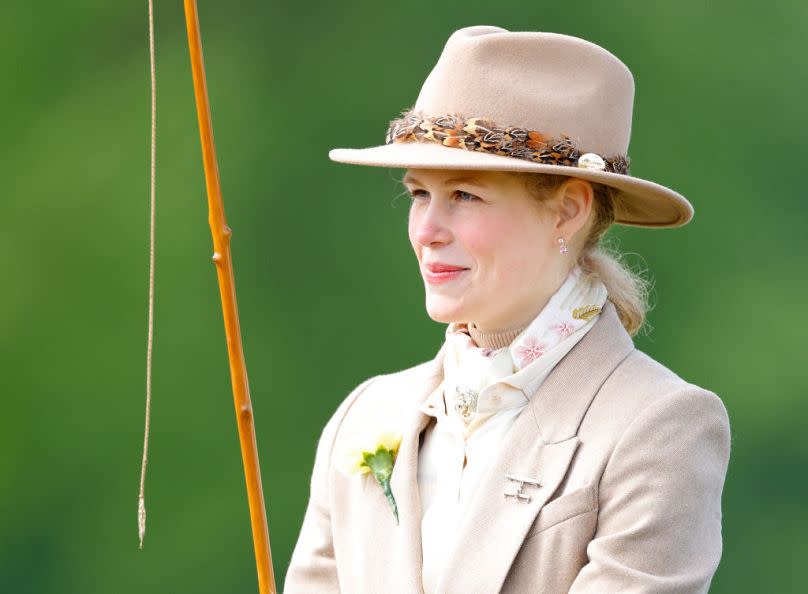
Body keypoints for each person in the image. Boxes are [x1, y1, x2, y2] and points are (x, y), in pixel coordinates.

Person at [284, 25, 731, 594]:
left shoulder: (659, 427)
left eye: (464, 196)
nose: (426, 230)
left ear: (568, 211)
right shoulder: (366, 416)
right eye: (419, 193)